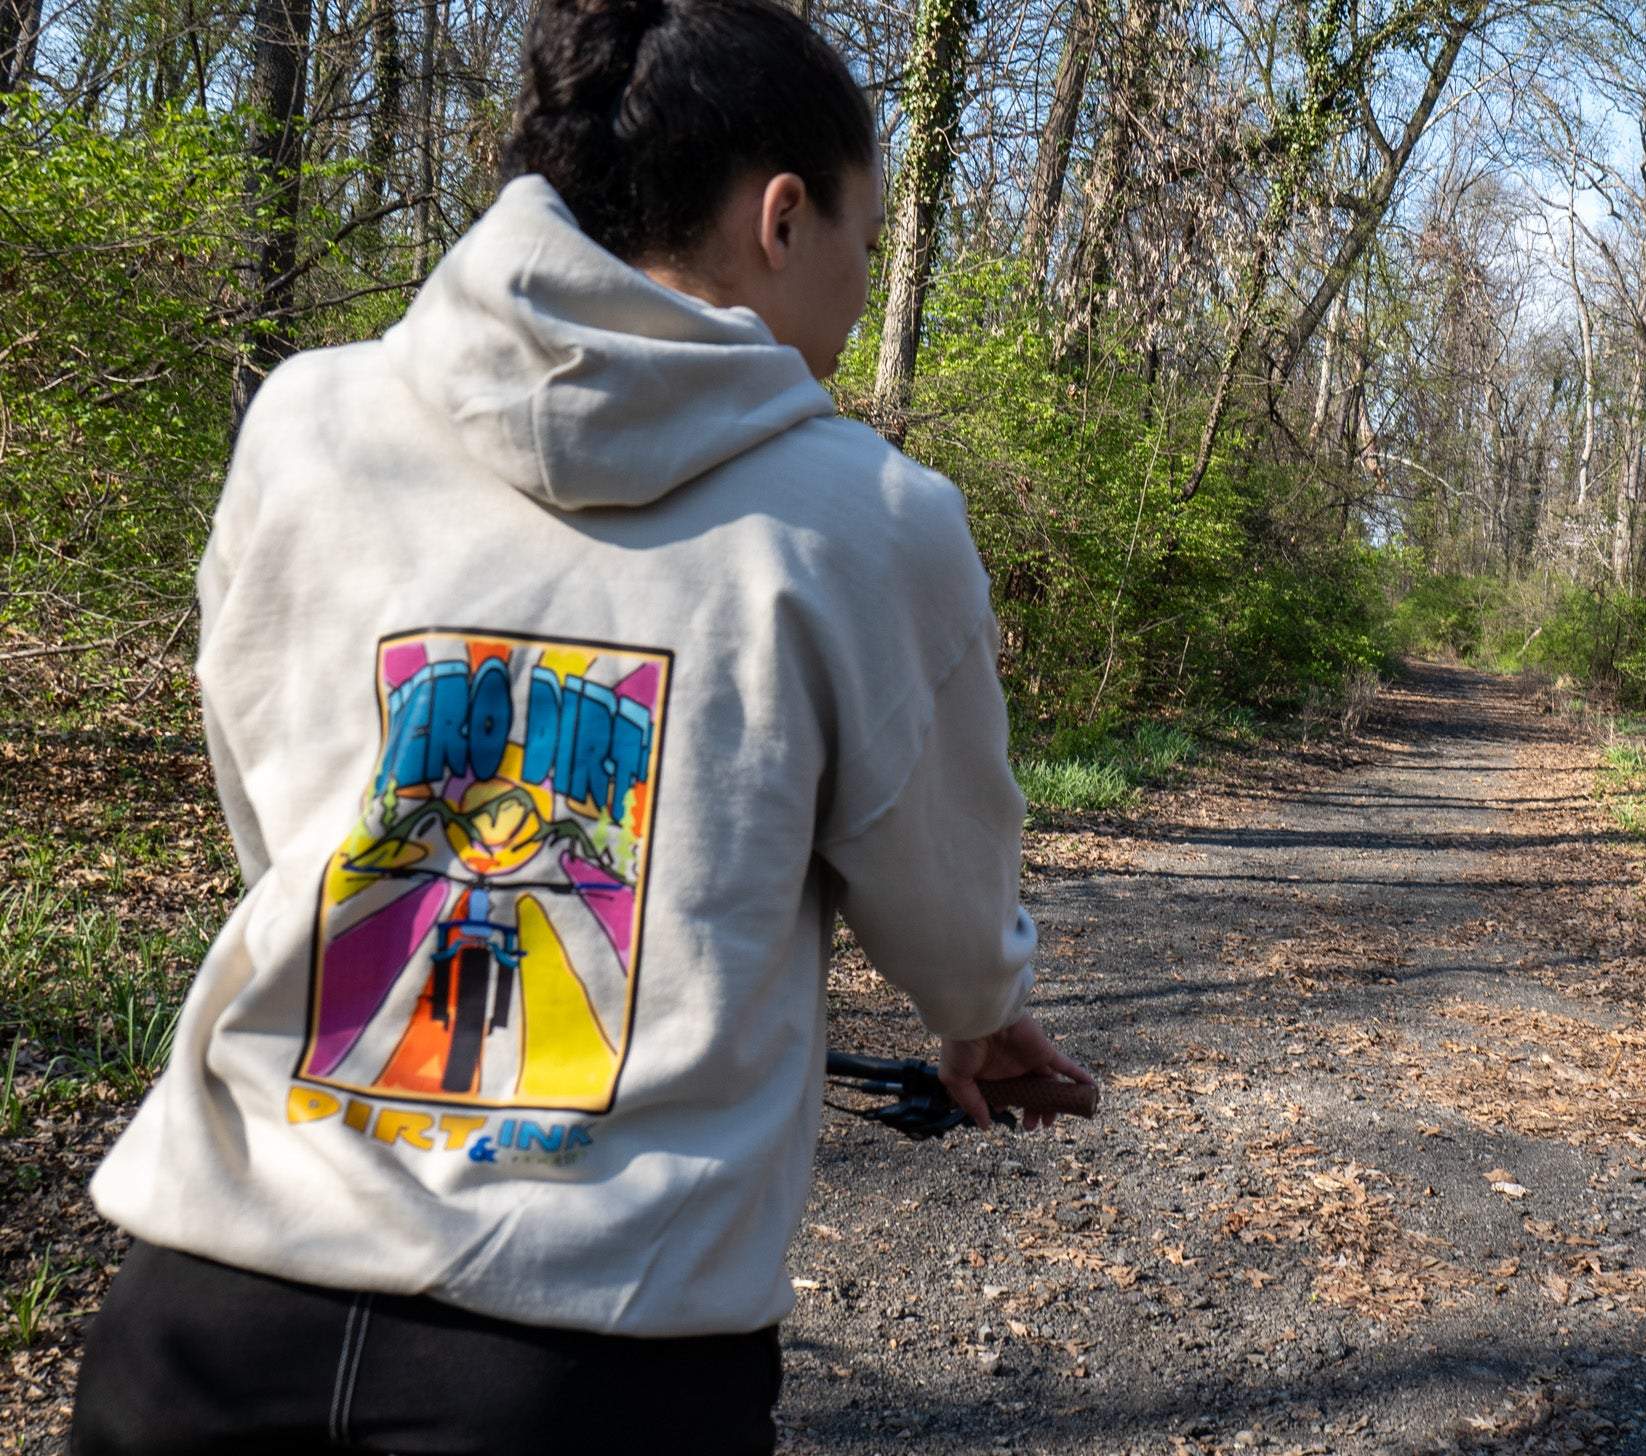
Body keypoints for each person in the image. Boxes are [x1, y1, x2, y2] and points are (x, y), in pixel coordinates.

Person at [69, 0, 1091, 1450]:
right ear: (781, 218)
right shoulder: (869, 523)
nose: (861, 298)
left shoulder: (310, 422)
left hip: (211, 1312)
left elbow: (278, 801)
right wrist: (980, 1015)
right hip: (592, 1356)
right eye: (863, 245)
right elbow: (943, 892)